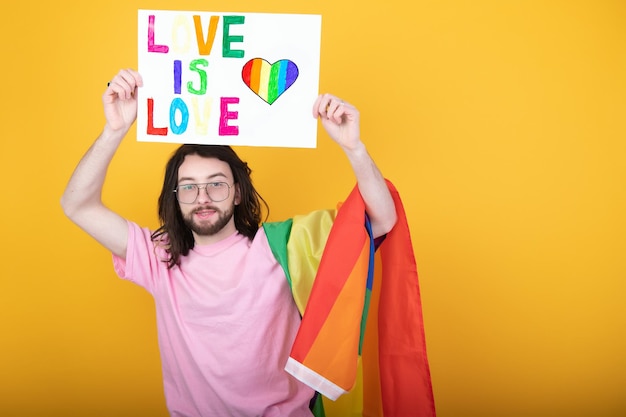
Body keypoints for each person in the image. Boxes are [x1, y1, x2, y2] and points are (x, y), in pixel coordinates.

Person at [61, 68, 397, 417]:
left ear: (237, 192)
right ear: (176, 197)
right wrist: (114, 130)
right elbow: (77, 205)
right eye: (188, 186)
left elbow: (381, 220)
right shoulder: (159, 256)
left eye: (216, 184)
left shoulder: (284, 245)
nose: (202, 196)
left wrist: (354, 148)